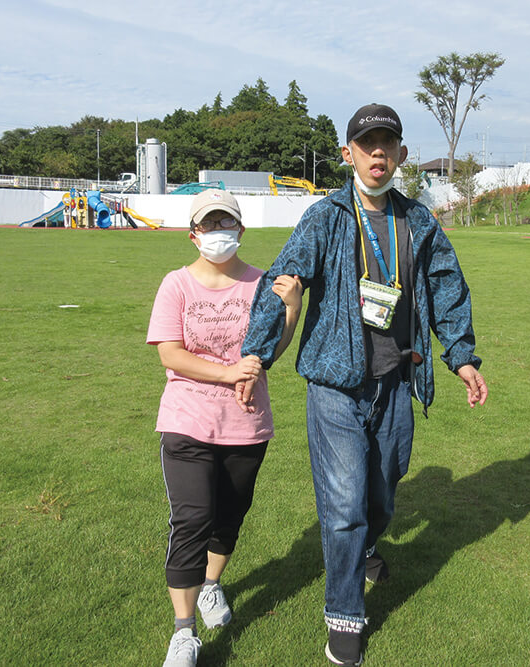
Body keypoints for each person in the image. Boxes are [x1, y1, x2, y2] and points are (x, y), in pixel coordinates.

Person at [238, 103, 488, 666]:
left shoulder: (418, 221)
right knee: (346, 502)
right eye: (366, 143)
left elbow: (448, 287)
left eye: (387, 144)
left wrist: (462, 357)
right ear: (348, 153)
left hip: (397, 378)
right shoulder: (325, 217)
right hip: (335, 382)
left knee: (384, 489)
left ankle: (369, 544)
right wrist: (255, 353)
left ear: (400, 154)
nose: (378, 153)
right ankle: (344, 611)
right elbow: (283, 282)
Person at [146, 189, 300, 667]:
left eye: (226, 223)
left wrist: (292, 306)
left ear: (241, 230)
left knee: (229, 518)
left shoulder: (261, 283)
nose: (218, 233)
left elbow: (270, 349)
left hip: (246, 424)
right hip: (186, 420)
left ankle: (211, 585)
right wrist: (226, 372)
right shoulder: (177, 285)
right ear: (193, 235)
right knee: (192, 520)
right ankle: (184, 632)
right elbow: (169, 353)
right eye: (209, 225)